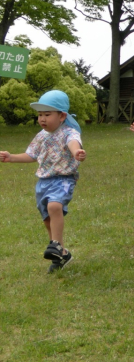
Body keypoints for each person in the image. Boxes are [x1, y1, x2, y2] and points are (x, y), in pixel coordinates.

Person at [0, 90, 86, 273]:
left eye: (47, 114)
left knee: (55, 207)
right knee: (47, 219)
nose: (42, 119)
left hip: (63, 179)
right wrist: (11, 157)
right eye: (40, 115)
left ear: (62, 116)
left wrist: (76, 152)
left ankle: (55, 245)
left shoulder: (68, 132)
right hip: (43, 182)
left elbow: (73, 143)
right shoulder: (41, 136)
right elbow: (31, 155)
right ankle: (61, 253)